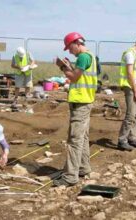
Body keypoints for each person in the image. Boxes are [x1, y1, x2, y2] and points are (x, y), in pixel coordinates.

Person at [53, 32, 97, 187]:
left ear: (76, 43)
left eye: (69, 48)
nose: (69, 51)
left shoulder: (84, 57)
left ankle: (71, 176)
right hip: (85, 100)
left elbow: (74, 78)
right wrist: (68, 66)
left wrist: (62, 67)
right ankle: (84, 167)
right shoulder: (88, 56)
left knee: (74, 139)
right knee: (83, 136)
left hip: (81, 102)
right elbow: (79, 75)